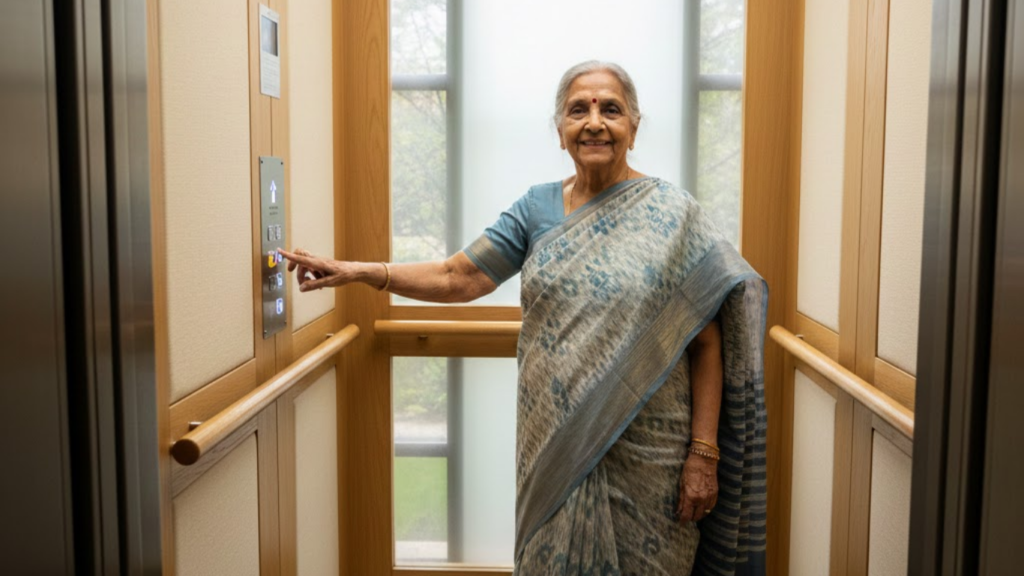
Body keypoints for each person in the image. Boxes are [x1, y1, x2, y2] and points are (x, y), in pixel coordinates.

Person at [279, 61, 767, 576]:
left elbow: (708, 343)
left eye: (611, 109)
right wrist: (362, 271)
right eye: (578, 110)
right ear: (560, 131)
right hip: (553, 448)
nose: (595, 122)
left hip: (649, 456)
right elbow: (458, 276)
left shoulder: (674, 214)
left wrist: (704, 454)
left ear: (634, 127)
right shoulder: (536, 210)